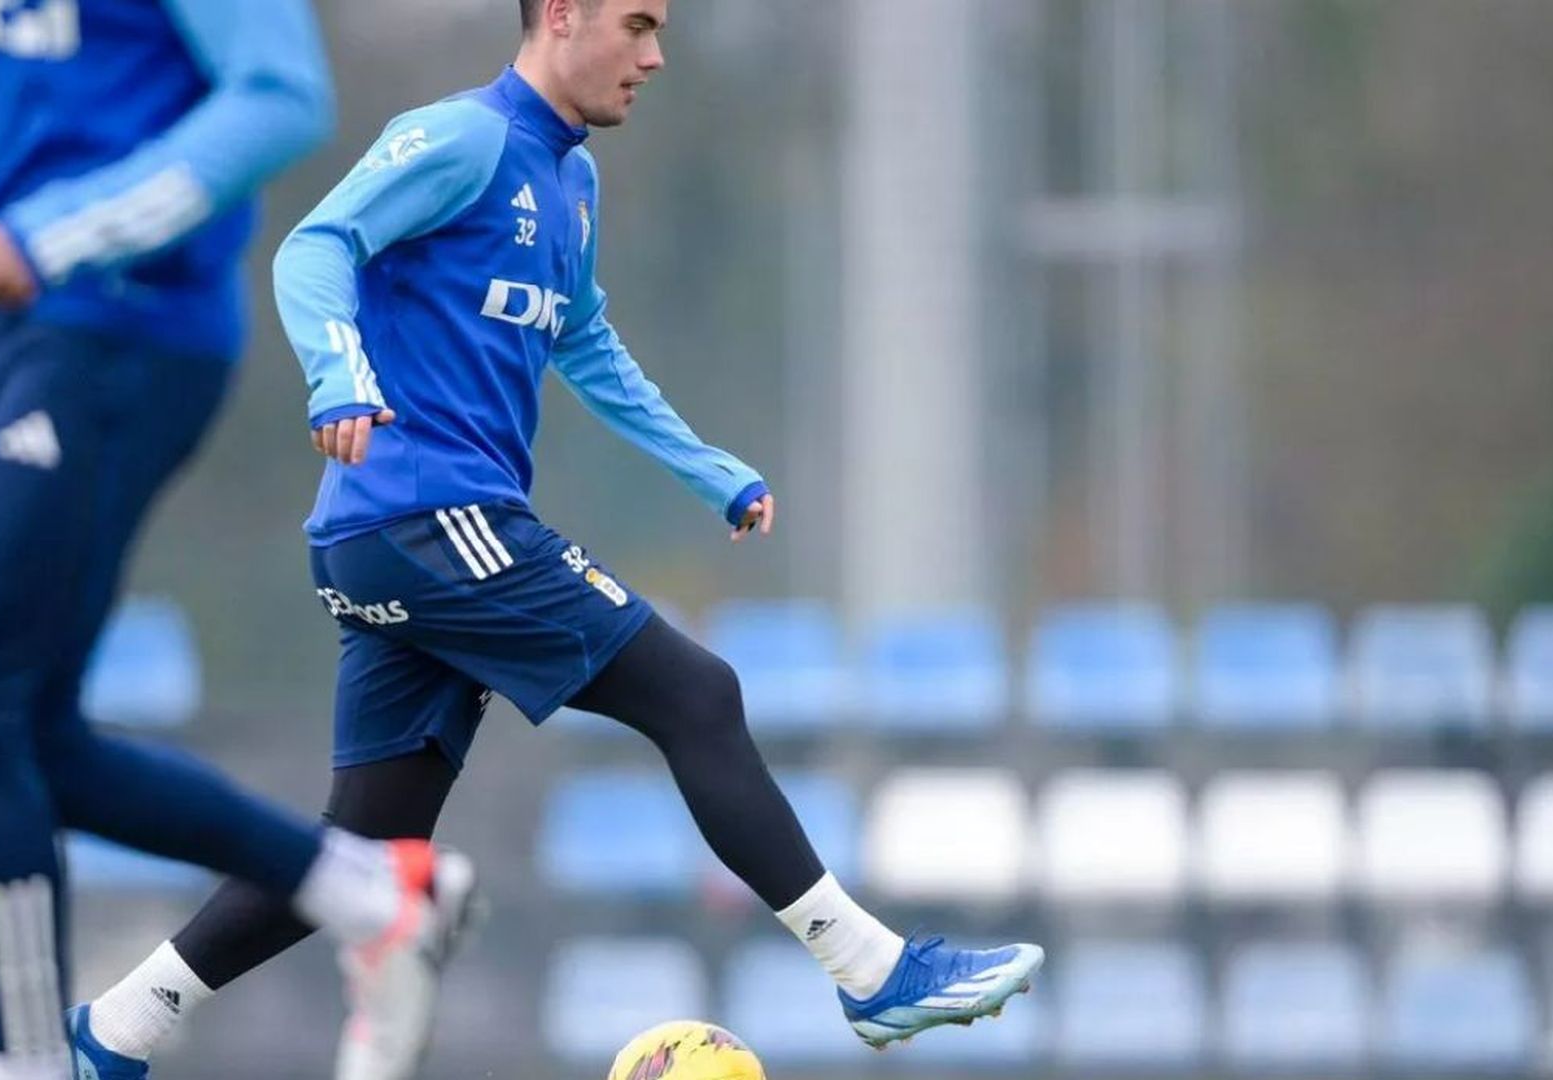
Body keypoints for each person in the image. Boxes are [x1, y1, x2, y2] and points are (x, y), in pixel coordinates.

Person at [72, 1, 1044, 1076]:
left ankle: (115, 1032)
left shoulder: (573, 182)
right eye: (635, 24)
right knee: (699, 695)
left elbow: (587, 344)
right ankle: (871, 970)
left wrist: (707, 467)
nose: (655, 54)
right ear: (564, 15)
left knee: (364, 850)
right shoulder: (461, 138)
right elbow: (316, 246)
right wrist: (338, 374)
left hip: (404, 541)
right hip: (430, 520)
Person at [0, 3, 476, 1078]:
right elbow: (68, 78)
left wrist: (59, 232)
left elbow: (282, 98)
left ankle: (28, 1061)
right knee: (31, 737)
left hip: (121, 327)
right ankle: (378, 896)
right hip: (25, 327)